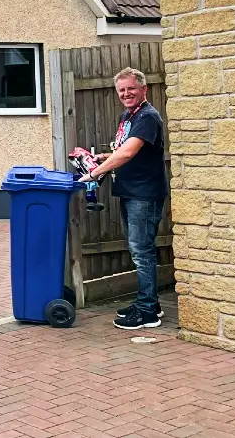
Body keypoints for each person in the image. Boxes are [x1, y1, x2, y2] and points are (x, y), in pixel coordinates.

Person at [77, 67, 169, 330]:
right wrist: (104, 158)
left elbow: (128, 153)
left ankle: (148, 311)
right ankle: (148, 301)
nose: (126, 94)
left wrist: (94, 173)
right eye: (121, 90)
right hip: (130, 191)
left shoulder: (148, 117)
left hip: (144, 194)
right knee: (138, 249)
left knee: (142, 251)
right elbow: (124, 151)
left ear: (143, 89)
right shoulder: (129, 115)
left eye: (131, 88)